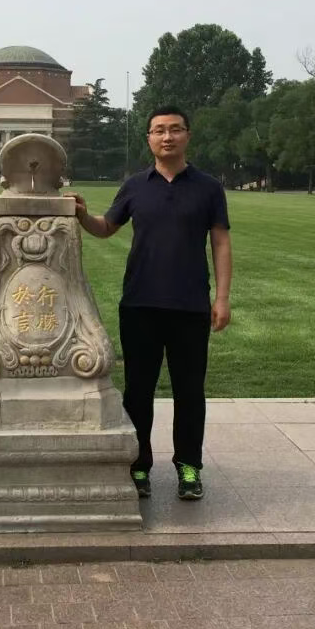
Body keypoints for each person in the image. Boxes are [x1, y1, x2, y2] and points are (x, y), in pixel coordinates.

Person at [69, 105, 231, 501]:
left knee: (189, 391)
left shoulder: (208, 188)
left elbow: (221, 242)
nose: (167, 137)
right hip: (140, 304)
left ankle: (189, 466)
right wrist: (83, 216)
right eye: (159, 130)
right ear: (149, 139)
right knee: (138, 391)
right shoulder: (135, 186)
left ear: (187, 135)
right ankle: (138, 465)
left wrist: (222, 298)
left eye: (175, 129)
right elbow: (106, 227)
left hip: (190, 305)